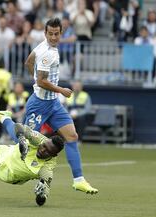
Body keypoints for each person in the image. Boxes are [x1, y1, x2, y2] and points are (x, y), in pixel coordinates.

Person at [22, 18, 98, 194]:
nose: (54, 37)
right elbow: (41, 81)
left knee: (71, 136)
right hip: (39, 105)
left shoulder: (42, 47)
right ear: (45, 33)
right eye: (51, 34)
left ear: (61, 33)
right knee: (25, 143)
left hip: (53, 104)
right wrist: (61, 90)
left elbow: (28, 63)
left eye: (57, 34)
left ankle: (78, 180)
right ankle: (5, 123)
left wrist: (39, 83)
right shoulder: (47, 53)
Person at [0, 117, 65, 206]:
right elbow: (18, 126)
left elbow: (41, 202)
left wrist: (41, 195)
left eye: (48, 151)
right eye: (44, 146)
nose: (43, 150)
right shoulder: (39, 139)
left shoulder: (47, 168)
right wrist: (21, 138)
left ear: (53, 155)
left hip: (12, 173)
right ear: (45, 141)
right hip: (11, 153)